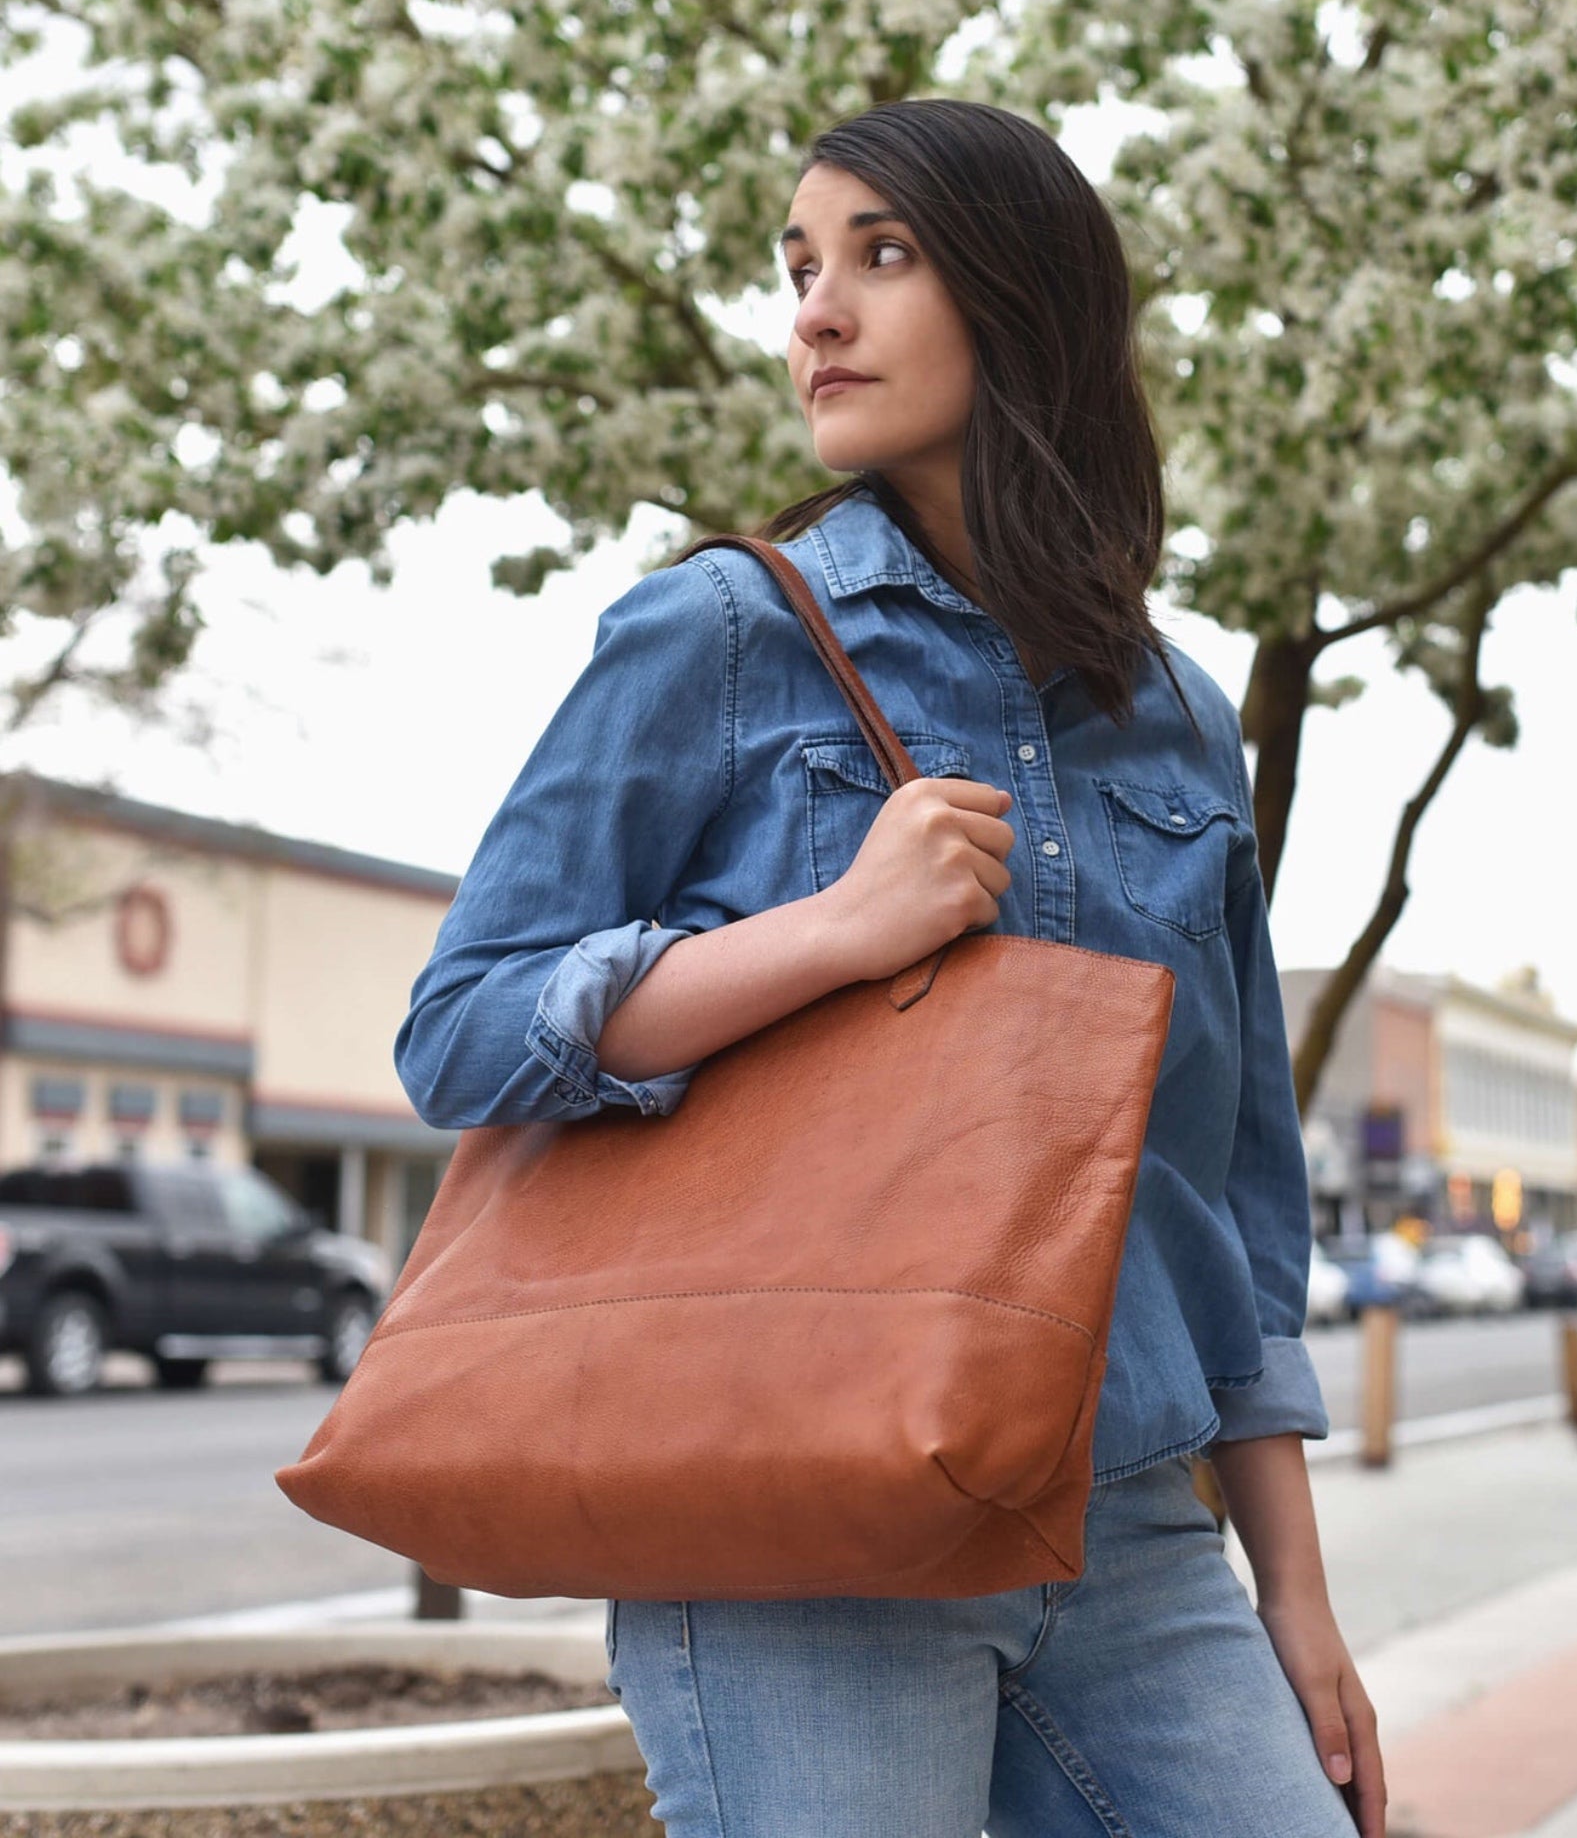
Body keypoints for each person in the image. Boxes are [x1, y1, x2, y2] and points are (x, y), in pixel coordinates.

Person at [395, 97, 1387, 1838]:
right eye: (798, 270)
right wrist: (829, 933)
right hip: (801, 1524)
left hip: (1135, 1520)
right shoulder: (719, 632)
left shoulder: (1174, 716)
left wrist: (1297, 1599)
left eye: (881, 255)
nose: (817, 315)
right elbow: (461, 1028)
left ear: (1024, 295)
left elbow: (1232, 1204)